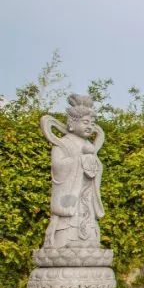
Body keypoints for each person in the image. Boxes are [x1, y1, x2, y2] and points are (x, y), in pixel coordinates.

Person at [40, 94, 105, 248]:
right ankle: (62, 241)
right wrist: (79, 161)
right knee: (66, 231)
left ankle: (90, 240)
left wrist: (94, 164)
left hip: (86, 199)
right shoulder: (62, 144)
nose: (90, 126)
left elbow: (96, 170)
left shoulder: (90, 147)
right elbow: (58, 167)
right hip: (70, 200)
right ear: (71, 124)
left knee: (90, 231)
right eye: (85, 122)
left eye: (92, 123)